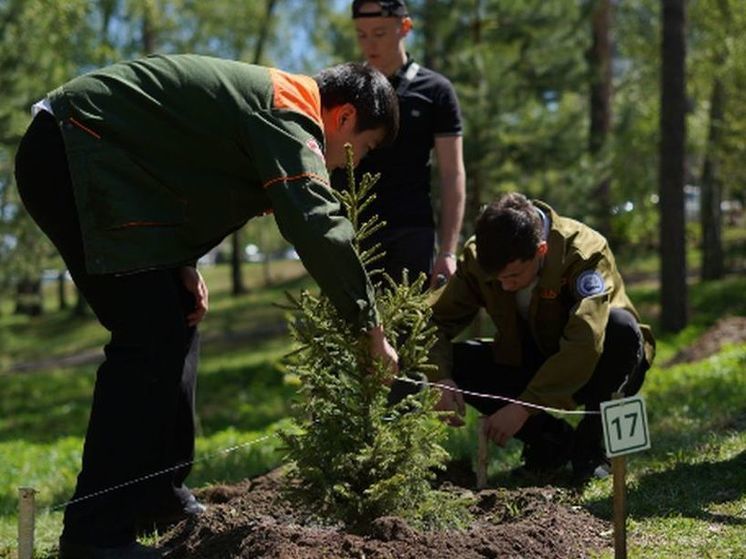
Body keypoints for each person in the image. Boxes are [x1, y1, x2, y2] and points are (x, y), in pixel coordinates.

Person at [14, 53, 400, 559]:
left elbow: (186, 168)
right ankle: (94, 535)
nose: (348, 164)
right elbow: (315, 221)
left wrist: (182, 261)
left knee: (174, 316)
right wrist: (370, 329)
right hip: (73, 148)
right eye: (361, 148)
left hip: (101, 162)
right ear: (344, 115)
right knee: (147, 340)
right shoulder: (291, 107)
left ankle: (157, 494)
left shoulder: (270, 103)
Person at [429, 192, 655, 482]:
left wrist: (524, 407)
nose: (505, 286)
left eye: (513, 276)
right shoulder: (478, 258)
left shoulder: (584, 253)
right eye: (497, 280)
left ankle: (590, 449)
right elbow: (434, 320)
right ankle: (552, 442)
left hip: (600, 364)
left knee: (621, 328)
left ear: (541, 250)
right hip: (532, 358)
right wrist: (441, 378)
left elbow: (585, 342)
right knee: (459, 362)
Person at [332, 0, 466, 289]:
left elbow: (452, 174)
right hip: (350, 233)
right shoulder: (344, 89)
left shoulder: (436, 91)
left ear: (404, 27)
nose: (370, 44)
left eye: (379, 33)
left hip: (412, 236)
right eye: (361, 34)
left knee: (410, 330)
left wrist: (448, 251)